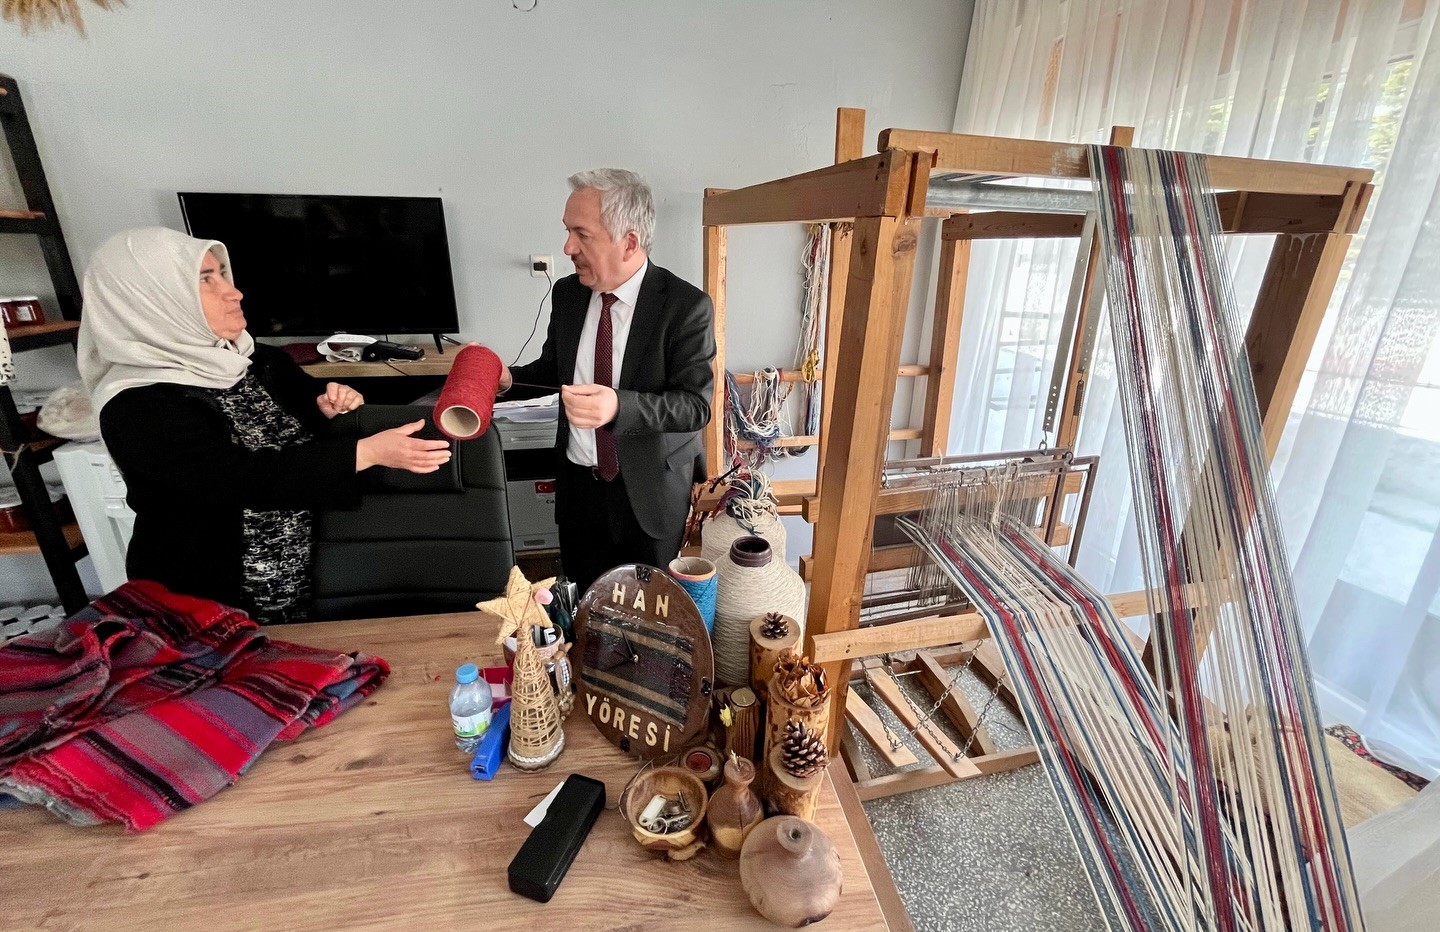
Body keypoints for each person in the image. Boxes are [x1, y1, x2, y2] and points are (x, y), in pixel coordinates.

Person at [78, 227, 452, 623]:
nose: (233, 292)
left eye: (223, 273)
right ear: (152, 301)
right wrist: (366, 452)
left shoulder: (256, 359)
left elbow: (296, 421)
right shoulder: (136, 405)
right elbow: (237, 479)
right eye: (206, 280)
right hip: (210, 599)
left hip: (306, 576)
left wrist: (325, 406)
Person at [500, 169, 715, 595]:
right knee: (585, 606)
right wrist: (510, 380)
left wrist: (618, 406)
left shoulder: (685, 306)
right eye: (567, 231)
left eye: (581, 234)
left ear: (629, 242)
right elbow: (554, 372)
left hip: (650, 496)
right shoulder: (568, 295)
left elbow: (694, 406)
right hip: (579, 491)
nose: (567, 247)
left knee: (653, 612)